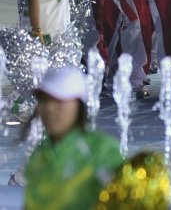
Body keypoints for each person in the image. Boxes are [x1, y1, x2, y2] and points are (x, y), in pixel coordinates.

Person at [22, 67, 124, 210]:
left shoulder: (100, 150)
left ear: (79, 106)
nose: (50, 109)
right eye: (45, 100)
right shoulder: (40, 153)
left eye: (59, 101)